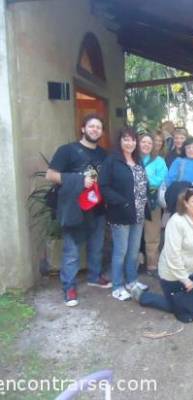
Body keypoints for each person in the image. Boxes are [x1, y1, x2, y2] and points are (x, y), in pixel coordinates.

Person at [46, 114, 111, 306]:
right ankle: (69, 287)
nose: (95, 130)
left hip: (97, 208)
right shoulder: (67, 151)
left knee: (96, 247)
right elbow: (51, 175)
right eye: (91, 126)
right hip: (74, 209)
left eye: (98, 127)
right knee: (72, 251)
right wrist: (78, 180)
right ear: (83, 128)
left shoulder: (103, 154)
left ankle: (94, 276)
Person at [132, 187, 193, 311]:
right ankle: (143, 296)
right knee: (177, 308)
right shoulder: (176, 222)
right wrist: (185, 280)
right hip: (173, 274)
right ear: (185, 203)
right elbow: (172, 256)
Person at [99, 127, 149, 301]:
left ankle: (132, 281)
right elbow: (103, 186)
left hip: (139, 213)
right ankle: (118, 285)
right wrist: (122, 201)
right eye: (126, 139)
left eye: (133, 139)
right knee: (121, 251)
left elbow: (142, 185)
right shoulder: (112, 161)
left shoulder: (138, 161)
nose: (130, 143)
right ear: (119, 141)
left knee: (133, 251)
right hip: (120, 213)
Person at [139, 133, 168, 274]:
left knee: (152, 234)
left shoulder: (159, 161)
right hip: (134, 202)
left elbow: (163, 178)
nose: (146, 145)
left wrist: (143, 179)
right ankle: (136, 262)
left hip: (152, 202)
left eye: (149, 143)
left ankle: (152, 264)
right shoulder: (132, 159)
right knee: (134, 235)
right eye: (143, 142)